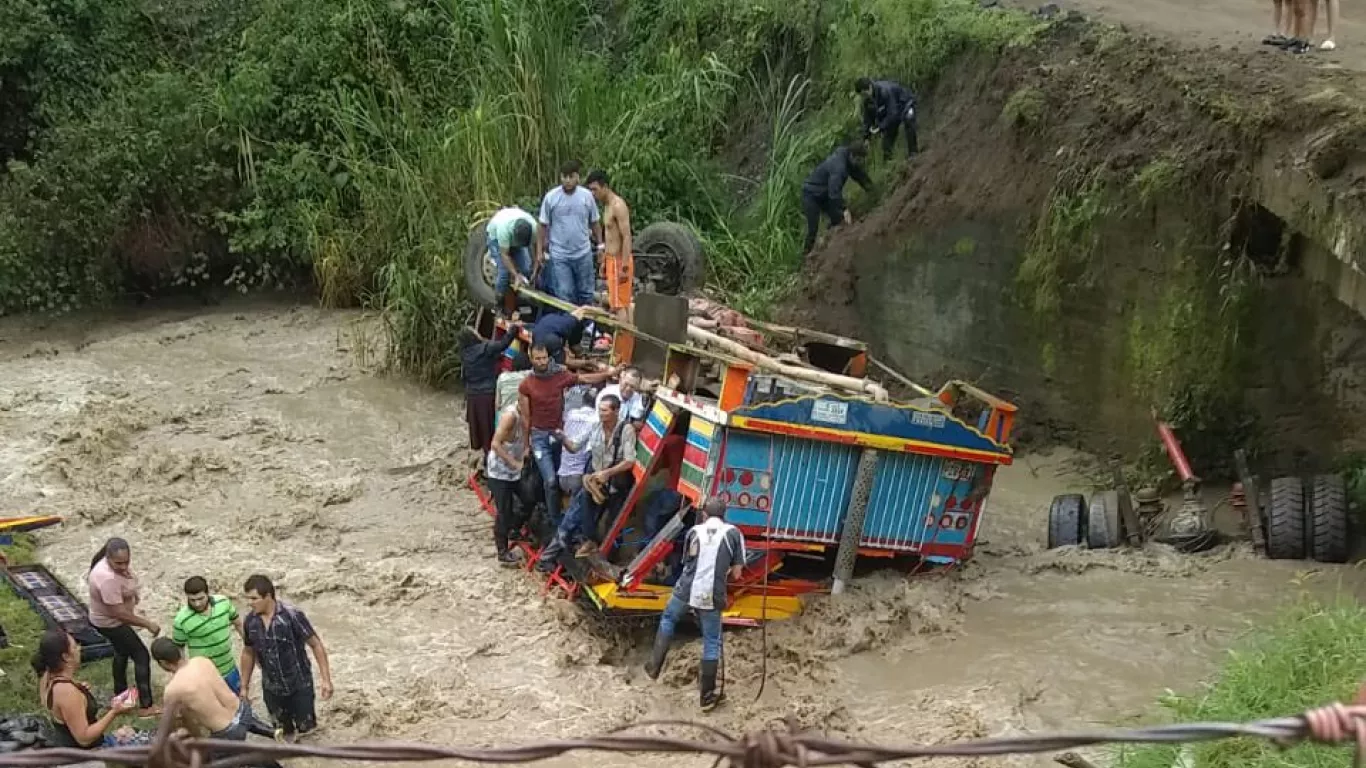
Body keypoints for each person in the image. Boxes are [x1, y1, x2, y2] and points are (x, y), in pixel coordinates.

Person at [642, 497, 746, 712]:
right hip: (712, 594)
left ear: (705, 514)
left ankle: (653, 667)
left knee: (669, 618)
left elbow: (688, 563)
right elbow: (737, 573)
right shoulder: (734, 534)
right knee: (711, 641)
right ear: (724, 515)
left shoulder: (694, 532)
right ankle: (706, 697)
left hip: (686, 589)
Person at [518, 342, 617, 528]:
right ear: (531, 359)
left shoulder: (559, 376)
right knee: (550, 480)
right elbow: (525, 417)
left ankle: (552, 510)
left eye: (544, 358)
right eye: (537, 359)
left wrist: (608, 374)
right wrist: (526, 445)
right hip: (539, 437)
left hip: (558, 434)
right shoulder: (526, 385)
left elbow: (584, 379)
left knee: (558, 473)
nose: (542, 362)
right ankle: (555, 520)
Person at [536, 394, 637, 571]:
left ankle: (608, 563)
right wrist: (562, 437)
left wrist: (608, 472)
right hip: (594, 484)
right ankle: (548, 558)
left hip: (616, 486)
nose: (601, 414)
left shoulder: (626, 430)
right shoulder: (595, 426)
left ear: (616, 411)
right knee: (573, 517)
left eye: (605, 411)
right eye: (599, 410)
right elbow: (575, 447)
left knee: (613, 526)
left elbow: (629, 461)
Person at [240, 574, 333, 743]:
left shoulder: (292, 616)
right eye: (248, 599)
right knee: (282, 732)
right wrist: (244, 687)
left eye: (254, 598)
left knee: (307, 732)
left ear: (268, 596)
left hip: (299, 685)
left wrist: (326, 680)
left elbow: (316, 645)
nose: (250, 603)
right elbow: (248, 653)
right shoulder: (250, 622)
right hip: (272, 689)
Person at [33, 628, 143, 748]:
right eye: (75, 647)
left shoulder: (48, 678)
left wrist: (80, 691)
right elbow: (84, 739)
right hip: (86, 752)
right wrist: (114, 712)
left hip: (73, 746)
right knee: (148, 741)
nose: (79, 649)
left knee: (134, 731)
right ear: (66, 657)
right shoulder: (67, 692)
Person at [86, 537, 159, 717]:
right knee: (141, 655)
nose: (124, 566)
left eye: (127, 562)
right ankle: (146, 706)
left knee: (121, 652)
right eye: (119, 563)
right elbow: (119, 614)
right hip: (111, 623)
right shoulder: (106, 578)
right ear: (108, 558)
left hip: (102, 619)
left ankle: (120, 696)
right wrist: (147, 623)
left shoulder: (108, 566)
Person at [538, 160, 603, 307]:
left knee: (586, 292)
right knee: (565, 293)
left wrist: (600, 246)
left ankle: (588, 326)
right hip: (560, 255)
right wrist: (539, 251)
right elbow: (542, 225)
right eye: (564, 177)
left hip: (583, 253)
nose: (567, 181)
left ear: (577, 178)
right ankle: (569, 326)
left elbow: (595, 222)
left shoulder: (587, 196)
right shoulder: (551, 197)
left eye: (571, 176)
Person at [172, 576, 246, 695]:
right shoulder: (181, 620)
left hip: (229, 669)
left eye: (201, 598)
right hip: (204, 677)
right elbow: (178, 649)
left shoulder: (223, 603)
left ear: (208, 593)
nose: (197, 603)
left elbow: (238, 624)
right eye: (192, 600)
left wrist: (250, 647)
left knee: (240, 704)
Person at [460, 323, 523, 456]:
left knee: (479, 429)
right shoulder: (485, 348)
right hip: (486, 395)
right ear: (472, 336)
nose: (478, 333)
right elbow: (503, 344)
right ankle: (492, 457)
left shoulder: (465, 353)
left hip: (472, 397)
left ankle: (485, 455)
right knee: (489, 427)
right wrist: (514, 329)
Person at [800, 141, 872, 256]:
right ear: (852, 156)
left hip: (825, 193)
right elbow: (834, 193)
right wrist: (844, 209)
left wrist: (872, 190)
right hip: (811, 194)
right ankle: (806, 255)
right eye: (858, 160)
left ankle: (830, 243)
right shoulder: (839, 168)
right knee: (813, 228)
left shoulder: (847, 158)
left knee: (837, 219)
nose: (859, 163)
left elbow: (860, 176)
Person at [586, 169, 633, 321]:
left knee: (620, 306)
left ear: (605, 186)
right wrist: (605, 260)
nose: (593, 193)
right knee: (618, 304)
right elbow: (610, 237)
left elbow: (626, 236)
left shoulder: (618, 205)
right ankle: (624, 341)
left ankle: (622, 343)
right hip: (612, 260)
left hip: (620, 261)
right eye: (591, 190)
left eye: (595, 189)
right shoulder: (606, 206)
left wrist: (624, 267)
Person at [487, 398, 528, 567]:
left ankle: (514, 529)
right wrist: (514, 462)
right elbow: (495, 444)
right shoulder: (511, 416)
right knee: (504, 510)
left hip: (517, 469)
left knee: (528, 498)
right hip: (500, 470)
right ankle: (502, 551)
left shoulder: (528, 416)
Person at [485, 206, 539, 311]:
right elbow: (505, 255)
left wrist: (536, 267)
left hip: (514, 234)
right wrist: (516, 275)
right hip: (495, 238)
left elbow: (537, 248)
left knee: (526, 268)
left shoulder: (534, 227)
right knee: (504, 272)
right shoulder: (503, 230)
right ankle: (499, 304)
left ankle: (520, 298)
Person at [855, 77, 919, 161]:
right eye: (862, 95)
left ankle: (913, 153)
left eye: (864, 94)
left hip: (905, 104)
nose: (864, 97)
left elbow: (893, 113)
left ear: (869, 87)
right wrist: (866, 137)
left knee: (908, 119)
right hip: (892, 112)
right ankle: (889, 163)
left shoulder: (884, 91)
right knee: (886, 142)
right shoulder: (868, 101)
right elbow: (867, 120)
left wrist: (880, 127)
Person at [555, 389, 600, 498]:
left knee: (567, 506)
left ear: (583, 400)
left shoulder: (570, 414)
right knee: (575, 508)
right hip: (579, 473)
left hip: (563, 471)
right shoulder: (597, 420)